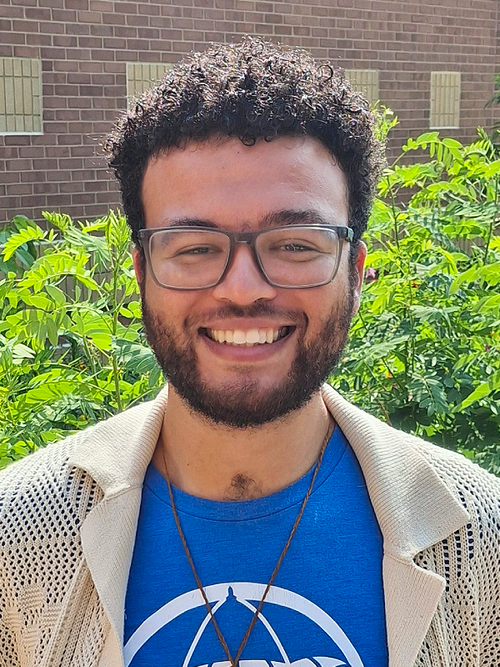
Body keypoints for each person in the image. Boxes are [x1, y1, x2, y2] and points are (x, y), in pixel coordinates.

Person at [0, 38, 498, 667]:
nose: (242, 289)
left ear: (355, 272)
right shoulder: (19, 537)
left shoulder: (481, 542)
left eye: (294, 244)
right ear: (141, 274)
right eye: (193, 246)